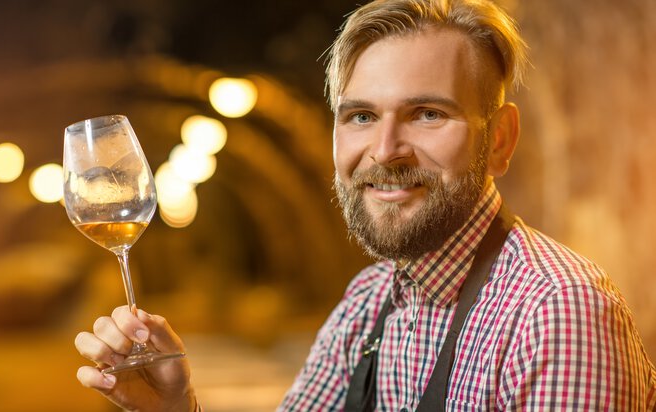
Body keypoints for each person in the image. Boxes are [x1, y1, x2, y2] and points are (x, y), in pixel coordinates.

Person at [74, 0, 656, 410]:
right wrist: (178, 408)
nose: (384, 151)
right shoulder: (368, 305)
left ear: (499, 139)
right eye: (360, 116)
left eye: (428, 113)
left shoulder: (556, 313)